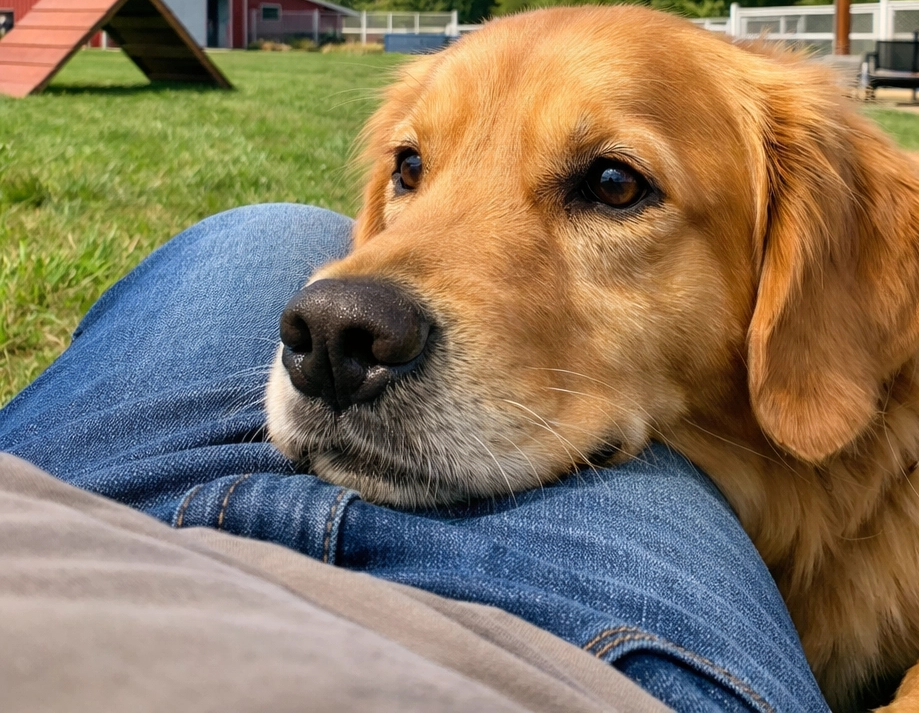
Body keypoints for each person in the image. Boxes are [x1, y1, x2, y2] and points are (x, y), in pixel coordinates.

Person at [0, 203, 830, 713]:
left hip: (78, 519)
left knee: (266, 230)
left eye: (611, 188)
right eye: (412, 169)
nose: (344, 302)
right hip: (604, 660)